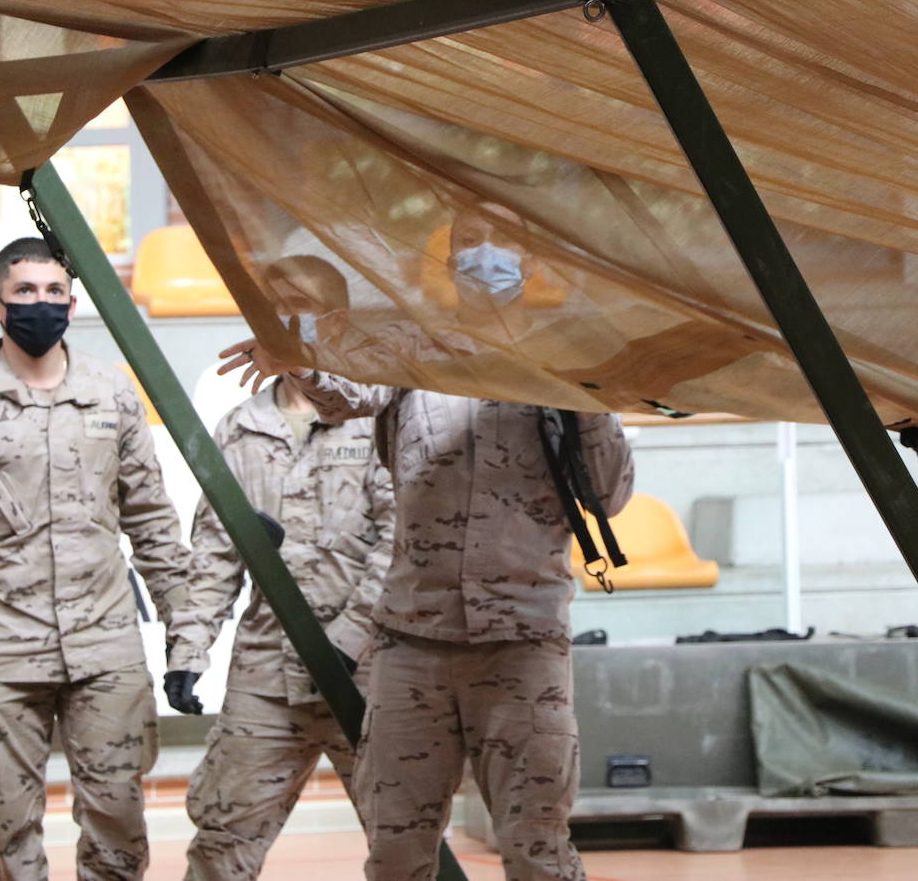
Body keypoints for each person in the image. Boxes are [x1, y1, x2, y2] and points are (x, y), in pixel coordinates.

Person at [215, 339, 635, 881]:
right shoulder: (414, 344)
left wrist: (586, 390)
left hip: (522, 644)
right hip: (412, 643)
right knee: (396, 851)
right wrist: (297, 364)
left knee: (539, 847)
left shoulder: (559, 362)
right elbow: (348, 395)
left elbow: (609, 493)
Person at [0, 237, 205, 881]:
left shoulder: (112, 395)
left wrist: (188, 640)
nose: (41, 304)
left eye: (54, 292)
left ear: (73, 300)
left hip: (106, 647)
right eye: (25, 292)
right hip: (2, 651)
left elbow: (153, 525)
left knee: (118, 822)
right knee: (10, 833)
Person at [174, 368, 394, 879]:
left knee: (405, 841)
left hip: (371, 677)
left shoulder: (376, 420)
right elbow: (215, 552)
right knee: (221, 843)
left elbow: (401, 542)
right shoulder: (241, 427)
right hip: (267, 676)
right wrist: (188, 651)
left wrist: (346, 640)